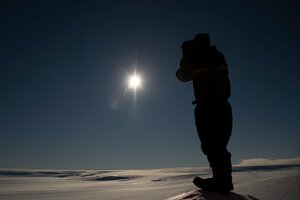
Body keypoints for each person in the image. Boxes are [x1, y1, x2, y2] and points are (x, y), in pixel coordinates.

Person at [176, 33, 233, 194]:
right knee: (219, 143)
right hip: (224, 105)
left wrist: (185, 58)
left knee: (211, 143)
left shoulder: (195, 58)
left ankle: (221, 182)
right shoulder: (218, 55)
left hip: (207, 106)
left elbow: (182, 76)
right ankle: (222, 179)